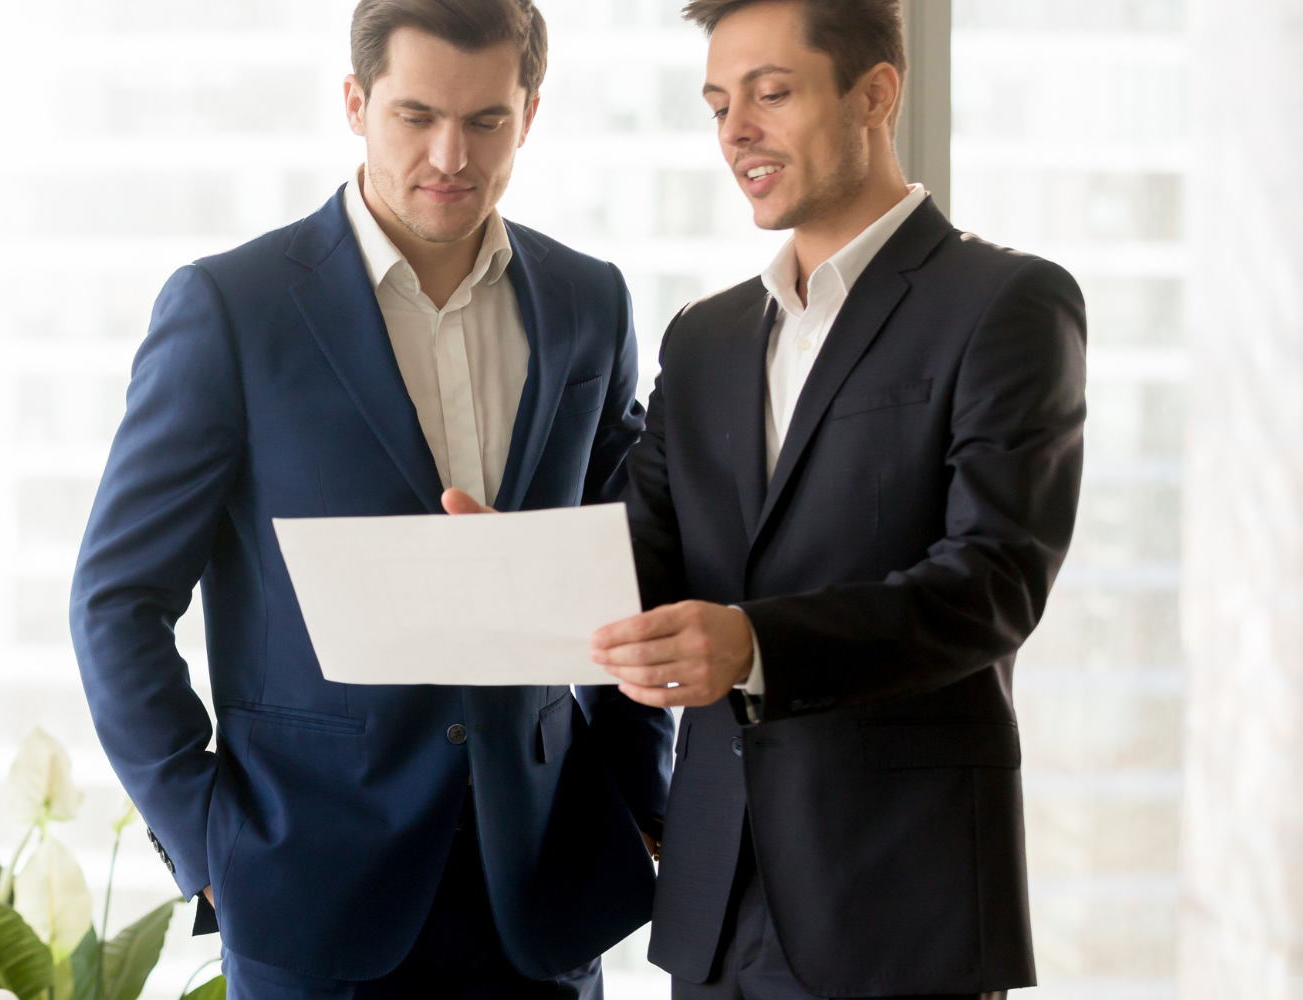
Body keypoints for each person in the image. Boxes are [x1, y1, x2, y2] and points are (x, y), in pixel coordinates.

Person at [70, 1, 673, 997]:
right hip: (310, 892)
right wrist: (210, 836)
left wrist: (639, 796)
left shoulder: (588, 304)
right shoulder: (232, 308)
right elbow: (115, 601)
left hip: (541, 895)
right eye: (415, 116)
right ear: (356, 104)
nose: (451, 154)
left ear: (530, 113)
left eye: (486, 119)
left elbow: (626, 568)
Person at [586, 1, 1086, 997]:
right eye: (720, 103)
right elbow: (635, 566)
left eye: (771, 94)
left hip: (901, 898)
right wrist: (509, 574)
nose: (736, 131)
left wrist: (755, 644)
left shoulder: (1007, 304)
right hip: (716, 901)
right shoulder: (704, 338)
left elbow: (991, 583)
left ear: (877, 94)